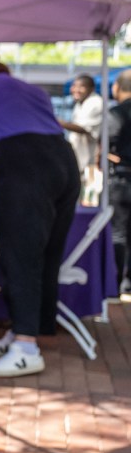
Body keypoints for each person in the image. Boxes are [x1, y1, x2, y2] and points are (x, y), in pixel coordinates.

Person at [0, 55, 80, 377]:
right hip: (64, 161)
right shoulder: (34, 91)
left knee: (19, 253)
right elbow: (35, 135)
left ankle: (26, 347)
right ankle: (27, 332)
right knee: (48, 251)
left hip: (22, 162)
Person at [106, 70, 131, 297]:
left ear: (117, 87)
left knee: (118, 233)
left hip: (122, 179)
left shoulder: (116, 113)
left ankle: (114, 286)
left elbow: (106, 145)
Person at [60, 74, 103, 174]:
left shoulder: (96, 102)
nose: (76, 90)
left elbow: (83, 128)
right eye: (74, 86)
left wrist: (58, 122)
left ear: (91, 89)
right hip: (79, 159)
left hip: (90, 162)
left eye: (81, 87)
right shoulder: (80, 103)